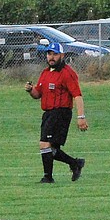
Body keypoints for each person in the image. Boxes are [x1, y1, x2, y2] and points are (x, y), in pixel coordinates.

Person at [25, 41, 88, 183]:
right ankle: (75, 163)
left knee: (44, 144)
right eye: (49, 54)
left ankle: (48, 177)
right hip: (48, 114)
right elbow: (37, 94)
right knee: (51, 149)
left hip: (60, 113)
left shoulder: (67, 73)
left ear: (62, 55)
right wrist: (30, 90)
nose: (51, 57)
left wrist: (81, 117)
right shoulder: (46, 73)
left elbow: (77, 95)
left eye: (55, 54)